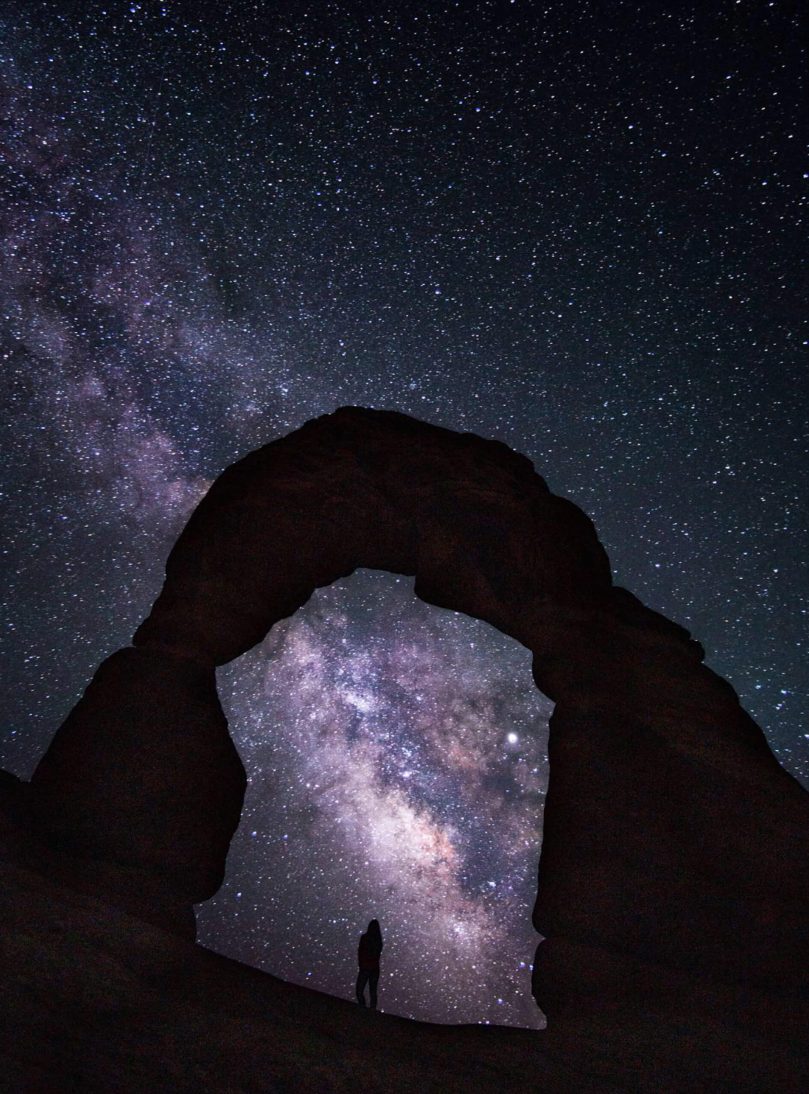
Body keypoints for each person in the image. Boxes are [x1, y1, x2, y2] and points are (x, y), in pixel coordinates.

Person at [355, 918, 383, 1008]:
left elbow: (360, 952)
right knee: (372, 992)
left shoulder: (366, 938)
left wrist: (361, 964)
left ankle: (364, 1009)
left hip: (367, 968)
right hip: (372, 968)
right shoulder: (378, 941)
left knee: (361, 991)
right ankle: (370, 1012)